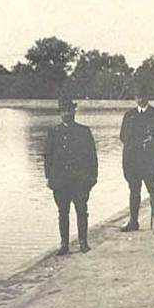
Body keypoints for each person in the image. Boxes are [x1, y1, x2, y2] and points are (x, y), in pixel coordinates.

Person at [44, 96, 98, 256]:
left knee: (82, 211)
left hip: (80, 181)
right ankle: (64, 244)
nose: (67, 114)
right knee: (63, 212)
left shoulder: (84, 131)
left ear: (74, 112)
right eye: (64, 111)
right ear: (60, 114)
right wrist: (49, 177)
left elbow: (92, 157)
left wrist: (92, 178)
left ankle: (83, 242)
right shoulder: (54, 132)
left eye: (70, 110)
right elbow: (48, 156)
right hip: (60, 181)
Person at [119, 84, 154, 234]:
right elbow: (123, 137)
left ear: (147, 97)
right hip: (132, 161)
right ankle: (133, 221)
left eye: (142, 96)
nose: (140, 99)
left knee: (153, 190)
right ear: (134, 98)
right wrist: (134, 149)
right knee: (134, 191)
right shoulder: (129, 115)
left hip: (150, 161)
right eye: (137, 97)